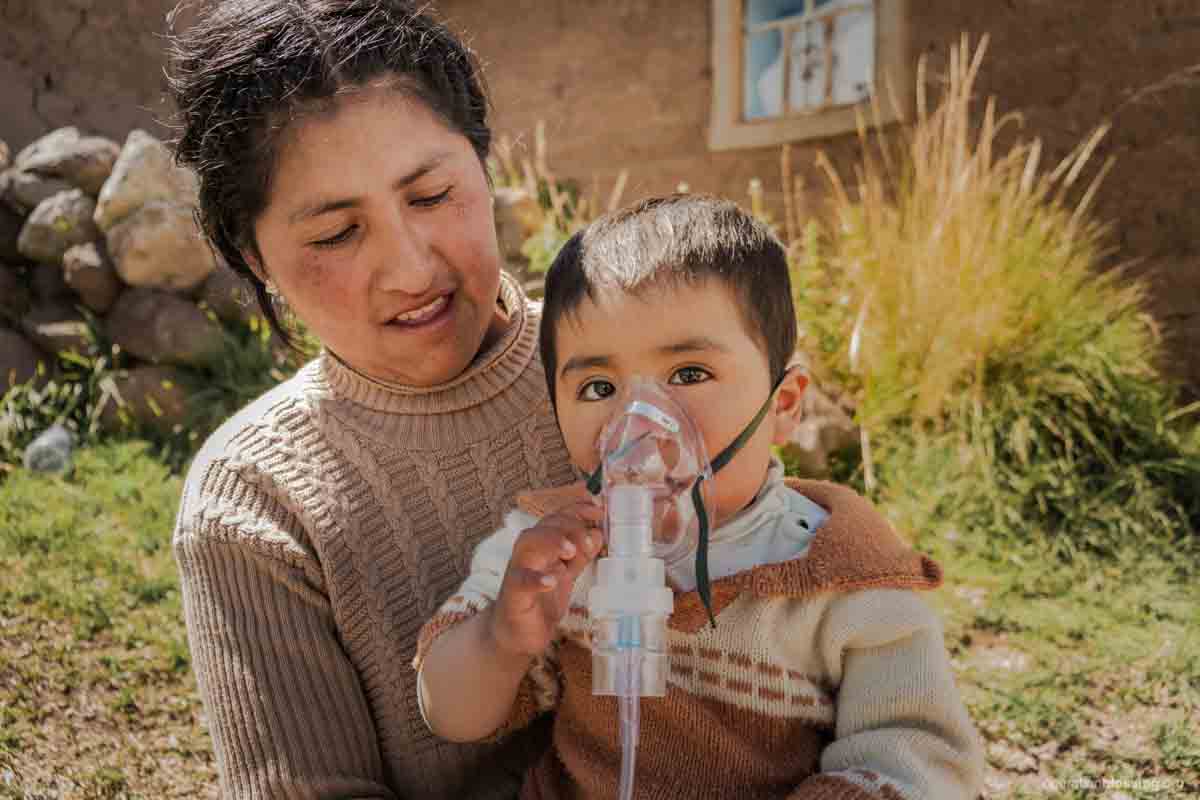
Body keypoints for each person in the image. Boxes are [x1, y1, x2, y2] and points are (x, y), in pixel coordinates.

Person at [415, 195, 985, 799]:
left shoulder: (844, 577)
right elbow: (451, 714)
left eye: (688, 374)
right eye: (599, 386)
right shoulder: (548, 556)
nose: (639, 422)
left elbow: (916, 758)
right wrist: (503, 637)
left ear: (783, 405)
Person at [166, 2, 574, 798]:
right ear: (258, 258)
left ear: (485, 169)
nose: (411, 269)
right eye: (334, 235)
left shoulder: (626, 371)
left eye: (430, 196)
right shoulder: (253, 503)